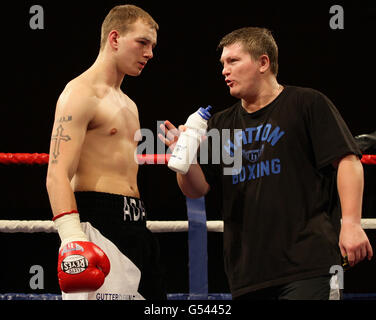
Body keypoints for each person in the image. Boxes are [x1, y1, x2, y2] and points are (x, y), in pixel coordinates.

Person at [159, 27, 373, 300]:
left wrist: (352, 224)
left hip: (309, 263)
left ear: (263, 62)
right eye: (222, 64)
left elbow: (348, 160)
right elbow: (196, 189)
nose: (225, 71)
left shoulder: (306, 103)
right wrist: (184, 157)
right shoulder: (220, 124)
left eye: (233, 61)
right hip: (247, 273)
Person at [46, 4, 166, 300]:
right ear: (114, 39)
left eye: (152, 45)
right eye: (142, 42)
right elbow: (56, 174)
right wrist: (72, 238)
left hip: (136, 224)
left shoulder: (129, 104)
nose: (149, 53)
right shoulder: (80, 93)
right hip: (97, 224)